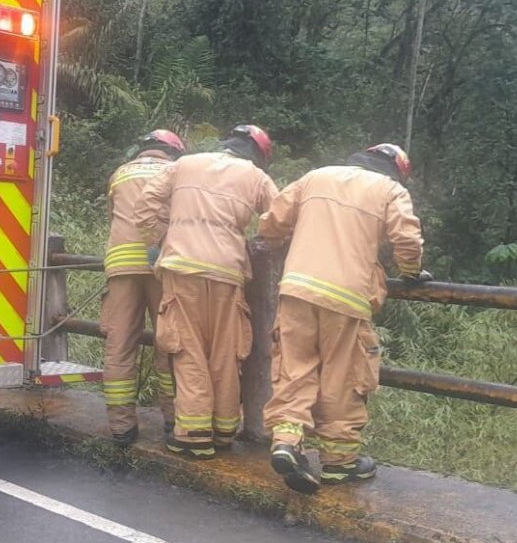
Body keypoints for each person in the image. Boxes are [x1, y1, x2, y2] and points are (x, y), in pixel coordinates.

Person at [259, 143, 428, 493]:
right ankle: (338, 463)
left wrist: (273, 242)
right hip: (347, 297)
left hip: (297, 290)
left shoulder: (315, 176)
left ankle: (287, 442)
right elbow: (407, 238)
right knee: (342, 377)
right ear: (395, 169)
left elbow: (273, 221)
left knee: (294, 369)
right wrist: (410, 271)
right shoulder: (390, 190)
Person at [134, 125, 279, 459]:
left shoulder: (184, 164)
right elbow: (279, 216)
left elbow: (145, 204)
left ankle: (195, 434)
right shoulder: (255, 176)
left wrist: (158, 239)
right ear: (257, 153)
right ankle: (223, 430)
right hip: (228, 272)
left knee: (187, 348)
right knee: (226, 353)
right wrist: (265, 243)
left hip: (182, 268)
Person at [100, 130, 187, 446]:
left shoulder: (119, 173)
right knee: (170, 343)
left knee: (120, 345)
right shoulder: (174, 172)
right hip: (160, 264)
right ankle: (175, 420)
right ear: (172, 152)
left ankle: (121, 427)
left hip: (121, 267)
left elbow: (113, 218)